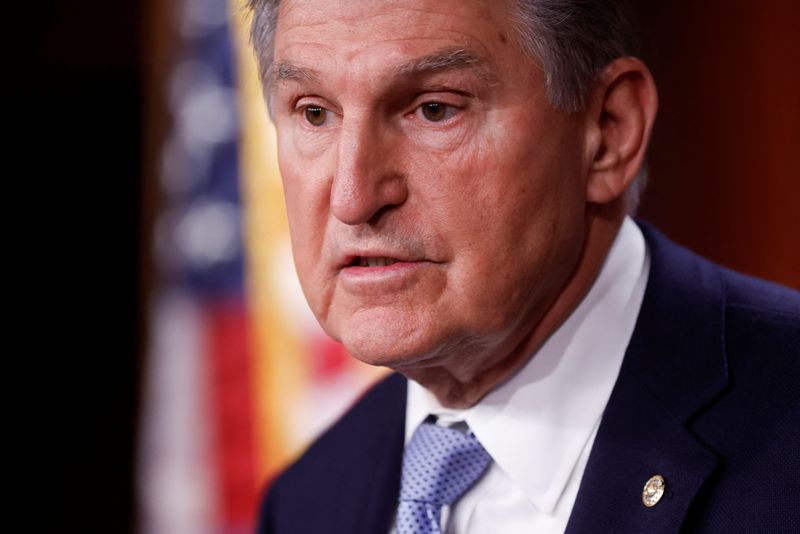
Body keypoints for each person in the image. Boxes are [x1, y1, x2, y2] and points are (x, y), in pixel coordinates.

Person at [247, 0, 800, 532]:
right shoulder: (307, 501)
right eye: (314, 112)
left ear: (607, 131)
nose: (353, 197)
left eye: (435, 109)